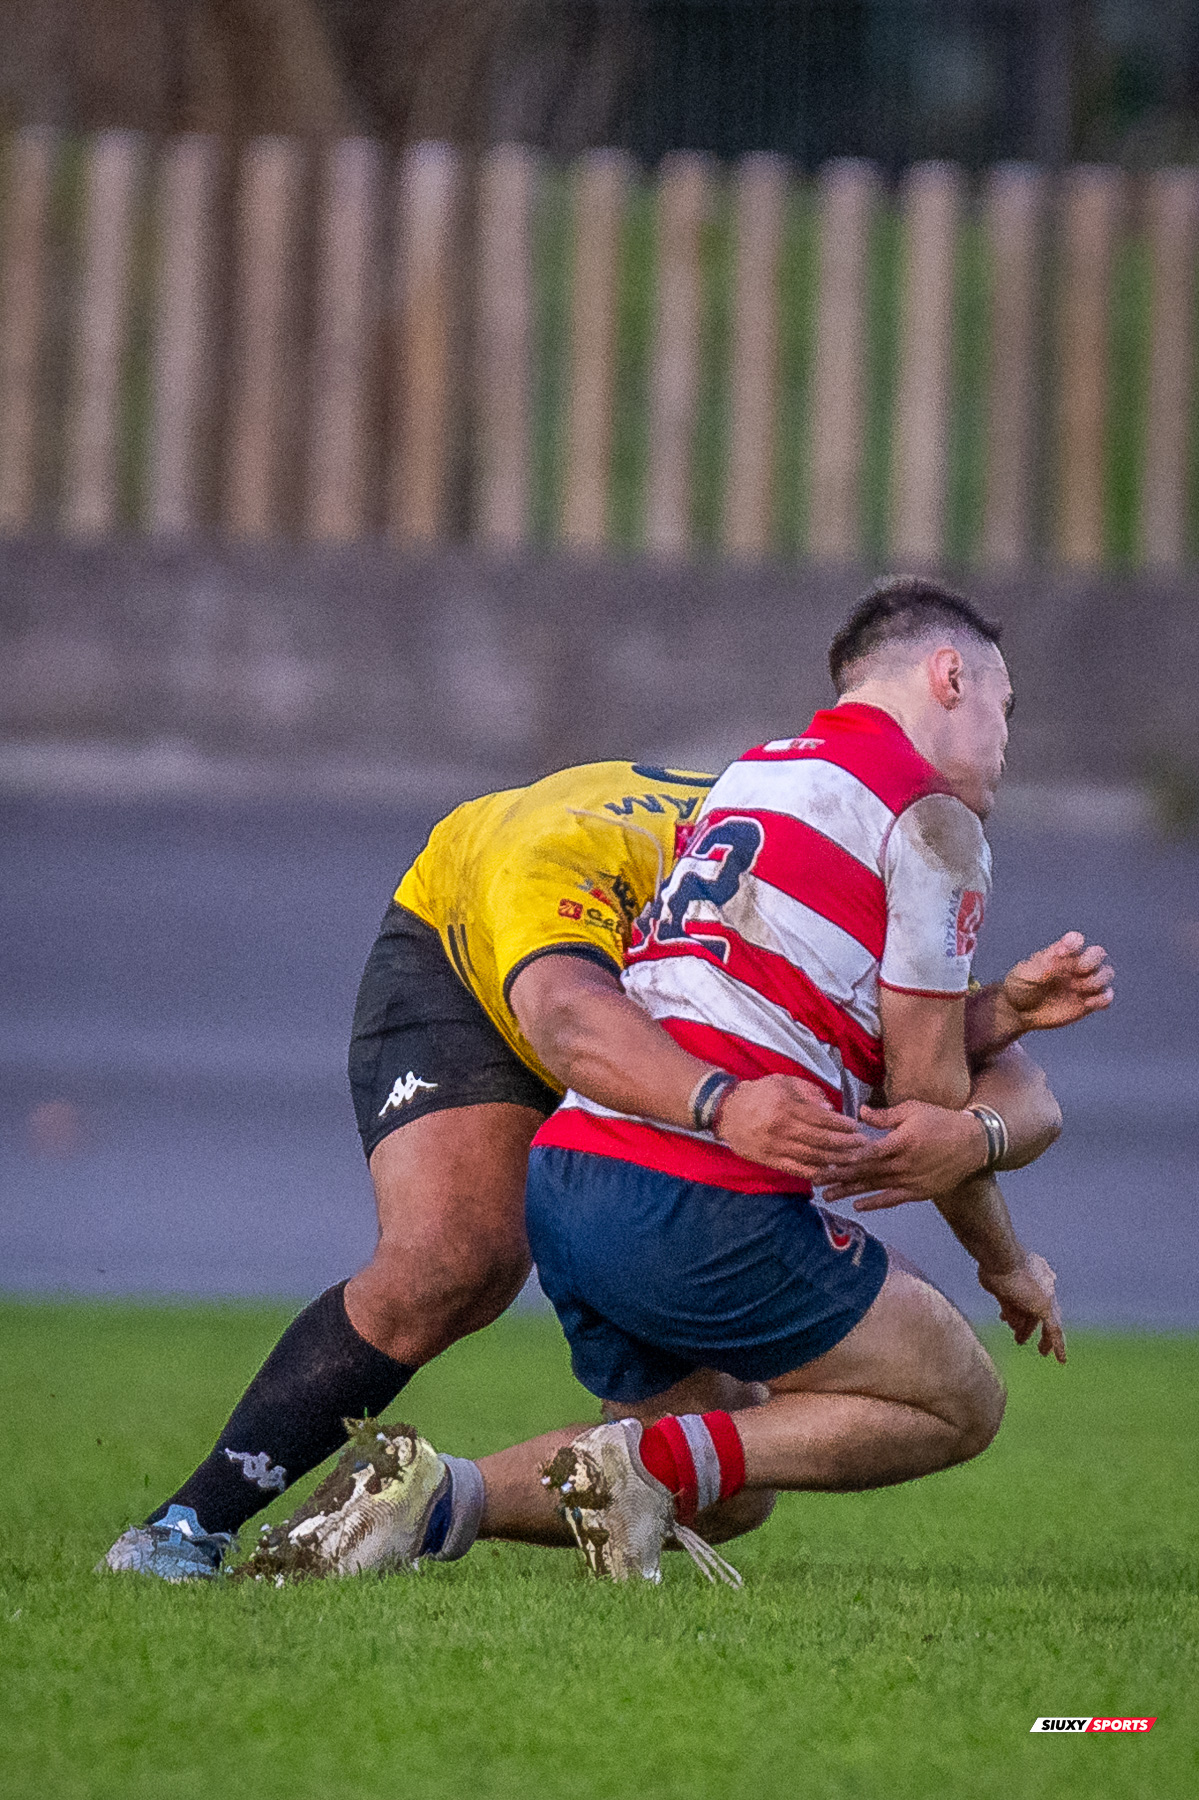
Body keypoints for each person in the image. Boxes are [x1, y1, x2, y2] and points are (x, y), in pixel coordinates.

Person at [229, 576, 1114, 1588]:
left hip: (570, 1180)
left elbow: (801, 1009)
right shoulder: (929, 824)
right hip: (702, 1201)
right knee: (958, 1400)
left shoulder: (749, 778)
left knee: (727, 1485)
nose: (1005, 739)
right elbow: (924, 1100)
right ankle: (630, 1465)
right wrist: (1005, 1254)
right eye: (1004, 708)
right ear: (949, 677)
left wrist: (993, 1007)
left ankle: (423, 1500)